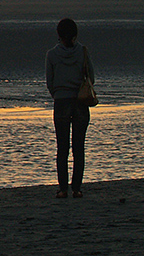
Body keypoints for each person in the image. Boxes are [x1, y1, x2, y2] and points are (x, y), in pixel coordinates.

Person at [45, 18, 93, 198]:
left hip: (61, 101)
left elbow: (49, 82)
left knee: (62, 147)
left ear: (58, 35)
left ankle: (63, 188)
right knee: (79, 147)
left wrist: (58, 94)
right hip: (80, 101)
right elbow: (92, 78)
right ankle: (77, 188)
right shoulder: (83, 52)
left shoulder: (51, 55)